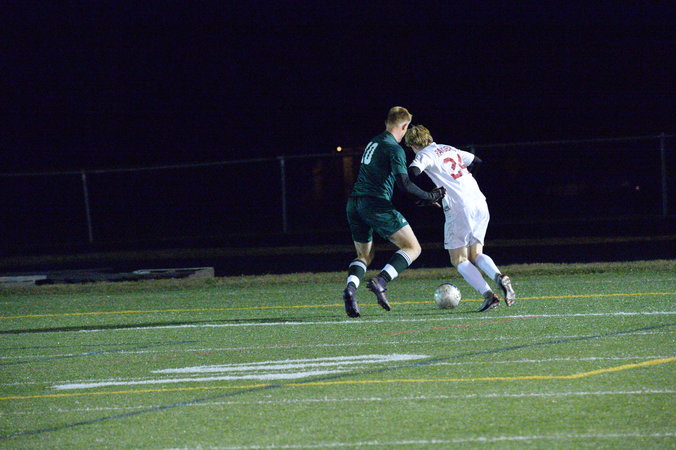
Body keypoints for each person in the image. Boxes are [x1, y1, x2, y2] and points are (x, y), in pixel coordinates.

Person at [342, 107, 445, 318]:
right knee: (413, 247)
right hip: (375, 204)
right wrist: (431, 196)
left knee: (364, 255)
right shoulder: (394, 149)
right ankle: (380, 281)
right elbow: (405, 185)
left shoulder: (374, 141)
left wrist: (423, 198)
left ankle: (350, 289)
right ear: (405, 126)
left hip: (354, 203)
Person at [404, 125, 515, 312]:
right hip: (479, 201)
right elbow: (476, 160)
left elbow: (413, 172)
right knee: (476, 254)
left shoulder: (424, 154)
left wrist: (428, 196)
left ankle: (489, 296)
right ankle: (499, 277)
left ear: (413, 145)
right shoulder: (448, 148)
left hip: (459, 207)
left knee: (459, 259)